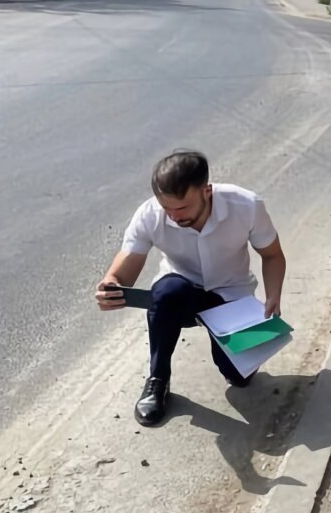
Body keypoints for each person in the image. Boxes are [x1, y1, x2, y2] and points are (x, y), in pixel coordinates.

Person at [95, 150, 287, 426]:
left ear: (207, 191)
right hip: (181, 292)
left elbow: (272, 255)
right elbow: (128, 262)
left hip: (231, 295)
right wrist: (112, 283)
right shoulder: (150, 215)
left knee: (239, 379)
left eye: (182, 208)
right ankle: (158, 380)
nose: (174, 216)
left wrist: (273, 296)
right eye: (167, 208)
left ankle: (229, 348)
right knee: (165, 294)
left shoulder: (246, 205)